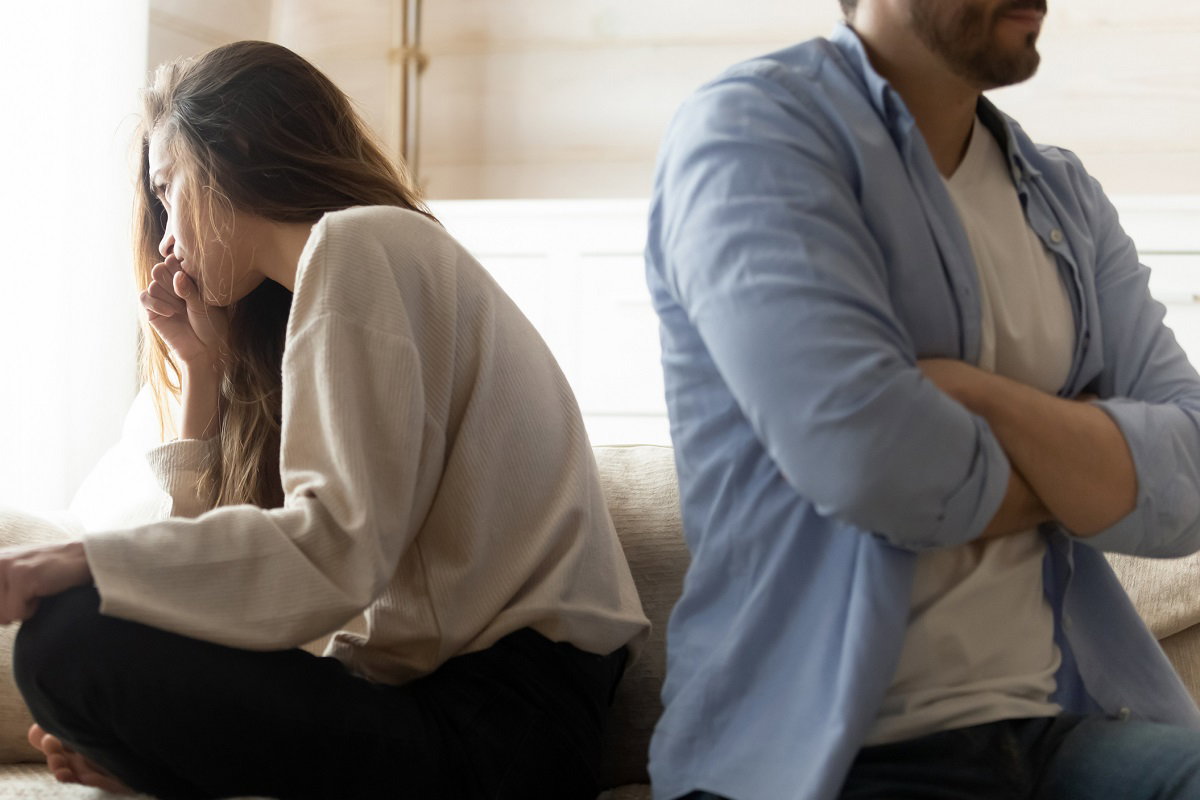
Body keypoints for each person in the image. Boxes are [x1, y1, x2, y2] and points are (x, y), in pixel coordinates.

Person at [0, 39, 648, 800]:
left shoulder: (360, 242)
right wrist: (204, 375)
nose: (167, 240)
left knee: (68, 642)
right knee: (79, 649)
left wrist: (85, 559)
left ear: (235, 149)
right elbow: (236, 584)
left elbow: (337, 551)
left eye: (168, 188)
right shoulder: (330, 289)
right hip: (447, 706)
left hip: (506, 719)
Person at [645, 1, 1200, 798]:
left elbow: (1191, 481)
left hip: (1055, 728)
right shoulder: (750, 136)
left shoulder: (1065, 196)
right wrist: (1088, 462)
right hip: (829, 759)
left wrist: (976, 395)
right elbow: (872, 463)